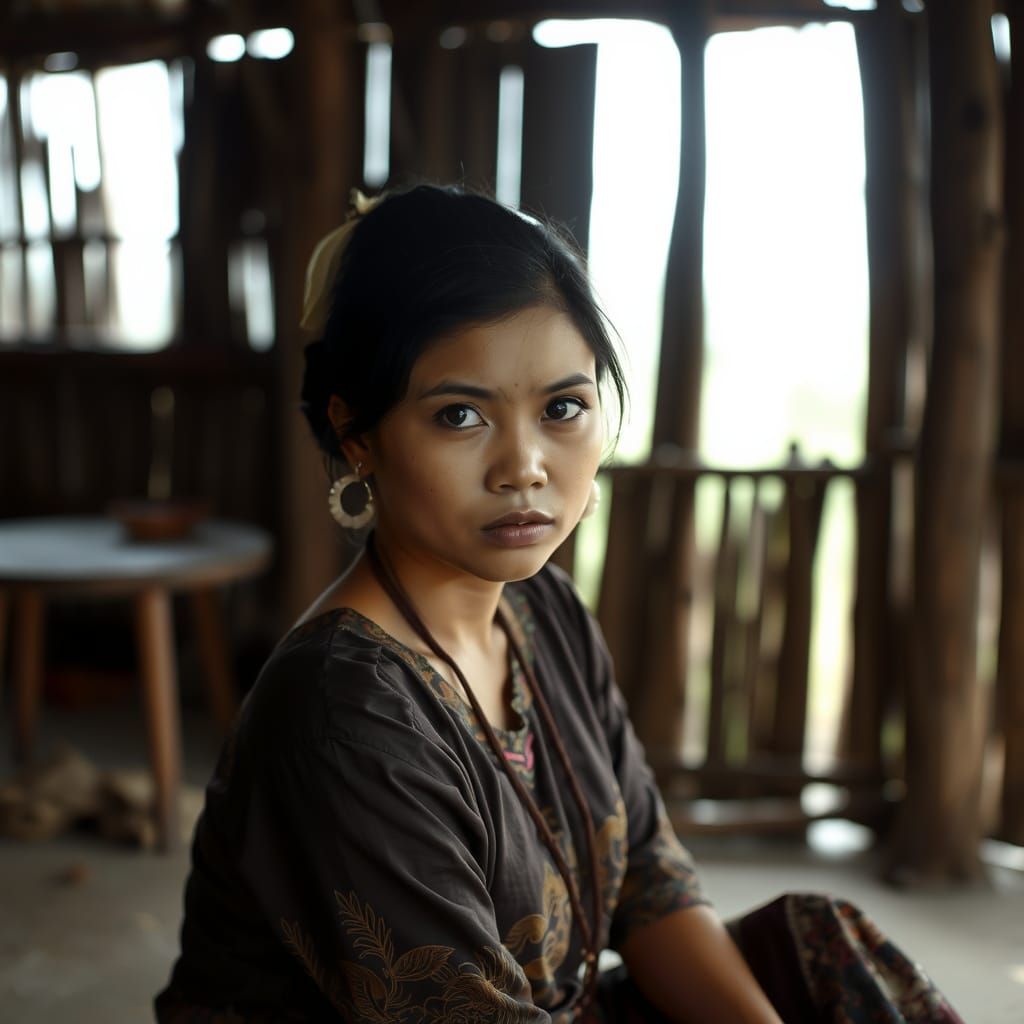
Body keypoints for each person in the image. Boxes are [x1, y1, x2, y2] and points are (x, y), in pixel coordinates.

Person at [156, 185, 962, 1023]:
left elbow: (648, 880)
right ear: (358, 433)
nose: (526, 466)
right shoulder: (343, 710)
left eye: (562, 408)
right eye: (460, 415)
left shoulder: (543, 611)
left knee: (814, 943)